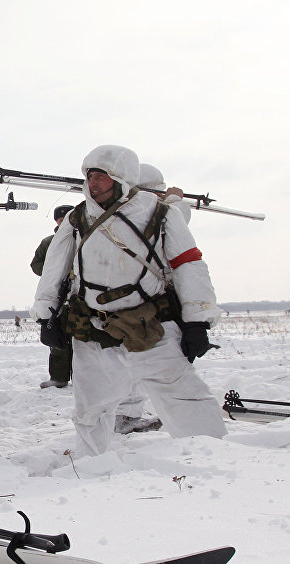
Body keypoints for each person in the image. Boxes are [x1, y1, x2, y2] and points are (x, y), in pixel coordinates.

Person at [31, 145, 227, 457]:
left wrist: (197, 322)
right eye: (90, 176)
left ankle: (214, 461)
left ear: (121, 178)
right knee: (90, 407)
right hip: (91, 327)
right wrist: (46, 316)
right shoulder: (76, 218)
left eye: (102, 176)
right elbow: (54, 269)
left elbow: (188, 266)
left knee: (182, 396)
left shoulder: (162, 214)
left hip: (150, 326)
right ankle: (89, 466)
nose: (93, 183)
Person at [112, 162, 190, 435]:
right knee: (141, 363)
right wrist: (176, 200)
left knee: (130, 363)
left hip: (131, 304)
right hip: (142, 305)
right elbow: (174, 224)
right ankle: (125, 415)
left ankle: (123, 414)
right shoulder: (146, 214)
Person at [31, 205, 75, 389]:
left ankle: (84, 378)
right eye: (60, 219)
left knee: (83, 342)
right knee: (57, 338)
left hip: (80, 295)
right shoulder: (49, 242)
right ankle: (58, 377)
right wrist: (55, 271)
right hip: (56, 297)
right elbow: (36, 265)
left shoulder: (82, 238)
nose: (63, 222)